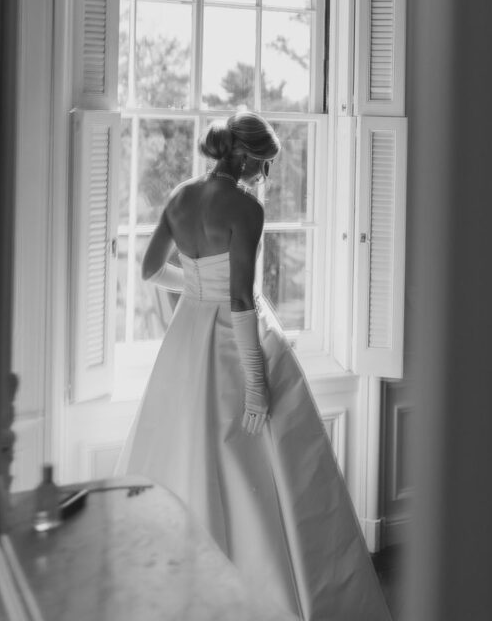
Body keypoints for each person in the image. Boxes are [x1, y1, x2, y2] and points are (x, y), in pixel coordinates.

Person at [116, 111, 391, 621]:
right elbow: (242, 299)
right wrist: (256, 382)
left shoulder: (179, 196)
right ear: (244, 156)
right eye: (263, 165)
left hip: (187, 338)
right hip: (233, 338)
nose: (264, 177)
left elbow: (151, 269)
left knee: (186, 450)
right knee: (256, 462)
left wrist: (199, 290)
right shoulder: (245, 209)